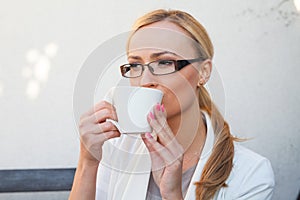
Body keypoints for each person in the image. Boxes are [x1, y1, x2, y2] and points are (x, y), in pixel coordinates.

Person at [69, 9, 275, 200]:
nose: (144, 81)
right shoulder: (116, 148)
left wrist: (172, 195)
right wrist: (88, 162)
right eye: (135, 65)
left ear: (203, 72)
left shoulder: (252, 173)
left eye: (165, 62)